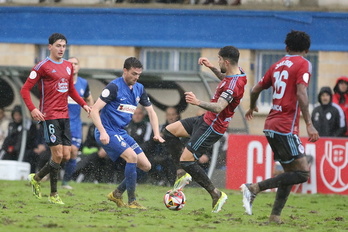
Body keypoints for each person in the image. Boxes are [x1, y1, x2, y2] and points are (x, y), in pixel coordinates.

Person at [242, 30, 319, 224]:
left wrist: (252, 106)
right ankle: (254, 188)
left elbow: (255, 89)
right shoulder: (304, 63)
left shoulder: (276, 65)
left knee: (289, 173)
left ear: (286, 48)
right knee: (302, 173)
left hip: (270, 125)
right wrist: (309, 124)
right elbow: (301, 92)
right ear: (307, 50)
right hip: (285, 126)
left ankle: (275, 216)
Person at [164, 45, 247, 213]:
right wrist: (211, 67)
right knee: (168, 131)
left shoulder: (233, 86)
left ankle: (215, 193)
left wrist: (197, 102)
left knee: (187, 160)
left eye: (219, 60)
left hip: (212, 126)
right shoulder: (239, 73)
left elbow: (218, 107)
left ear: (226, 61)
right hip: (205, 119)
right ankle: (181, 173)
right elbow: (224, 77)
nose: (218, 62)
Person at [20, 33, 91, 205]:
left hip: (64, 116)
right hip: (49, 116)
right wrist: (33, 109)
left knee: (66, 155)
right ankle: (54, 194)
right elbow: (24, 90)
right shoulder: (41, 66)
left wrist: (84, 105)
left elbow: (71, 90)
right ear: (50, 47)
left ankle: (36, 178)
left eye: (64, 46)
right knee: (57, 154)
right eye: (58, 46)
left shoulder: (68, 66)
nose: (61, 49)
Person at [89, 57, 164, 209]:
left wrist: (157, 133)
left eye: (139, 74)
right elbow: (94, 110)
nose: (136, 77)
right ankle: (132, 201)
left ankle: (116, 194)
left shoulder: (139, 88)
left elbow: (151, 111)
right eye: (134, 73)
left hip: (121, 133)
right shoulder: (113, 87)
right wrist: (103, 132)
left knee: (146, 165)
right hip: (108, 131)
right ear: (125, 71)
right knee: (132, 157)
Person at [61, 57, 94, 190]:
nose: (73, 66)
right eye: (70, 64)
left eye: (75, 64)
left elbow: (89, 97)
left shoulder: (83, 83)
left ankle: (65, 181)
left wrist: (90, 109)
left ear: (79, 67)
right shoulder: (61, 81)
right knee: (62, 154)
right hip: (61, 122)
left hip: (75, 123)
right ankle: (50, 173)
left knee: (73, 152)